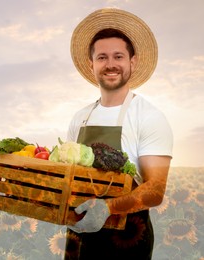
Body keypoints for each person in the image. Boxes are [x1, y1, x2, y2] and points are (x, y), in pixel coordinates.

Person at [64, 8, 173, 259]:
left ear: (131, 62)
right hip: (78, 237)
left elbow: (155, 191)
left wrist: (107, 208)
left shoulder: (148, 116)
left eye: (118, 56)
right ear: (91, 64)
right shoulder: (80, 117)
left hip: (126, 239)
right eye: (102, 57)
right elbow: (68, 177)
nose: (110, 64)